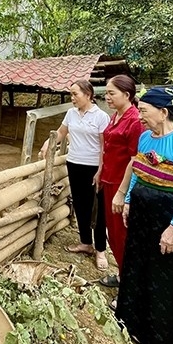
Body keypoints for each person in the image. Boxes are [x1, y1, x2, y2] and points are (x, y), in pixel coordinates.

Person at [111, 86, 173, 344]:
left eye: (144, 111)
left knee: (163, 279)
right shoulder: (144, 138)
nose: (140, 116)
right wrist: (128, 201)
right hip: (141, 216)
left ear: (163, 113)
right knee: (136, 268)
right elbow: (138, 172)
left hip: (166, 220)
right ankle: (134, 325)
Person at [40, 79, 109, 255]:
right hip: (74, 164)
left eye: (75, 94)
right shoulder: (71, 113)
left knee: (97, 208)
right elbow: (61, 132)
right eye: (71, 94)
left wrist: (101, 170)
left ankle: (100, 249)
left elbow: (104, 146)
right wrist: (48, 144)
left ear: (88, 95)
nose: (72, 98)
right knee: (80, 204)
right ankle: (85, 242)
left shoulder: (101, 117)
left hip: (94, 167)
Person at [95, 75, 143, 281]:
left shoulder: (134, 121)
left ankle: (129, 283)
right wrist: (100, 171)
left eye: (111, 93)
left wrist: (123, 193)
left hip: (120, 185)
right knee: (113, 233)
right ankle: (124, 275)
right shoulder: (116, 116)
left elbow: (134, 160)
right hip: (109, 180)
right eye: (106, 93)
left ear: (127, 95)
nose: (107, 97)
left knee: (122, 235)